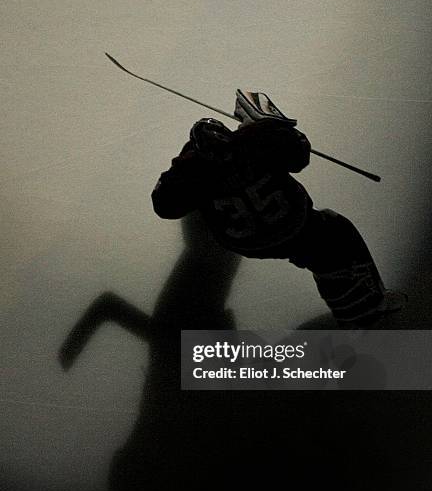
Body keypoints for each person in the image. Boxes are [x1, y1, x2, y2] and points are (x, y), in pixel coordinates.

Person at [152, 102, 404, 328]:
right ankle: (360, 308)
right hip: (291, 225)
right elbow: (299, 156)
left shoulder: (199, 170)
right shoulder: (250, 149)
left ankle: (356, 305)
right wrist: (270, 130)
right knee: (336, 233)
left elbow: (165, 205)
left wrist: (180, 169)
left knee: (324, 247)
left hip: (250, 241)